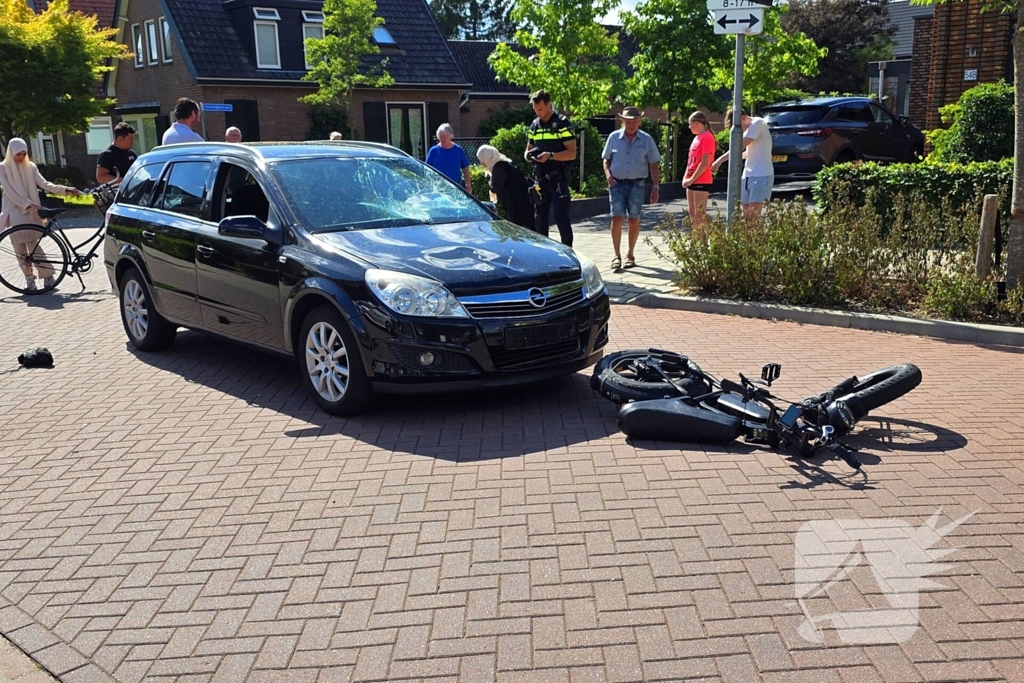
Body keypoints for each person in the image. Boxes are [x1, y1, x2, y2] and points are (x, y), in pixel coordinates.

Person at [0, 139, 78, 291]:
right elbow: (9, 191)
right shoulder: (3, 168)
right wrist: (26, 204)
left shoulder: (31, 166)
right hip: (15, 211)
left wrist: (64, 190)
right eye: (18, 154)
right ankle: (29, 279)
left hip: (32, 211)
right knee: (19, 248)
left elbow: (44, 184)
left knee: (34, 245)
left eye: (24, 153)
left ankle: (48, 276)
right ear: (11, 153)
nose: (21, 157)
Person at [601, 106, 661, 271]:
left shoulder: (646, 139)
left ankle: (630, 254)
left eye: (634, 121)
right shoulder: (614, 137)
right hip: (616, 184)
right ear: (622, 121)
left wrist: (656, 186)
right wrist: (608, 176)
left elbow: (654, 164)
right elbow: (606, 159)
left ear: (639, 121)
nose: (631, 124)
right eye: (628, 121)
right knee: (616, 218)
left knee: (634, 219)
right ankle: (616, 256)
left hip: (637, 184)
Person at [525, 90, 576, 247]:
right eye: (535, 109)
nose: (538, 112)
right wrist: (529, 155)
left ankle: (568, 255)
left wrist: (551, 155)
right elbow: (527, 151)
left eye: (540, 109)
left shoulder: (562, 123)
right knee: (539, 219)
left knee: (562, 218)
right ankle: (543, 255)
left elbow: (572, 153)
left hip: (558, 178)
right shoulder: (534, 125)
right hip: (540, 179)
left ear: (549, 104)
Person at [711, 106, 774, 219]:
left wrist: (719, 161)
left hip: (761, 175)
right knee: (747, 216)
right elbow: (746, 153)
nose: (740, 130)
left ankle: (755, 237)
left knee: (754, 217)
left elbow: (738, 147)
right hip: (747, 175)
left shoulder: (757, 123)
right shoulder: (748, 130)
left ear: (744, 117)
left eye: (739, 126)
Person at [476, 145, 535, 233]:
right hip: (525, 203)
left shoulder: (498, 169)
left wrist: (491, 185)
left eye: (481, 159)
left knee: (521, 233)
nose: (481, 163)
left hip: (518, 206)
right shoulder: (505, 164)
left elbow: (496, 188)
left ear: (487, 157)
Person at [681, 111, 716, 229]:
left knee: (700, 214)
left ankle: (703, 243)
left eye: (690, 123)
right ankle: (697, 242)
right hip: (692, 180)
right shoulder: (696, 138)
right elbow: (691, 161)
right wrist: (686, 177)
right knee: (692, 213)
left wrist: (691, 179)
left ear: (697, 123)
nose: (689, 126)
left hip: (701, 180)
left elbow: (705, 162)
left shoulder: (707, 137)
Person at [425, 123, 472, 193]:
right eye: (441, 136)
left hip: (456, 189)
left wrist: (468, 184)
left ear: (451, 136)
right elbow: (427, 169)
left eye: (446, 136)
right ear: (438, 136)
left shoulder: (458, 150)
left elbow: (465, 168)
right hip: (438, 190)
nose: (444, 139)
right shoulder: (433, 151)